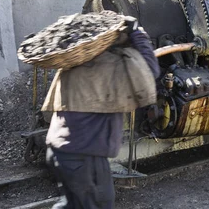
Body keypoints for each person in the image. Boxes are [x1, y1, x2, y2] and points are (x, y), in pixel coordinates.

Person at [45, 17, 159, 208]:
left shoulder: (71, 64)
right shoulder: (110, 64)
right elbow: (150, 71)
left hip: (59, 151)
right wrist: (137, 33)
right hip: (85, 158)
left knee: (71, 204)